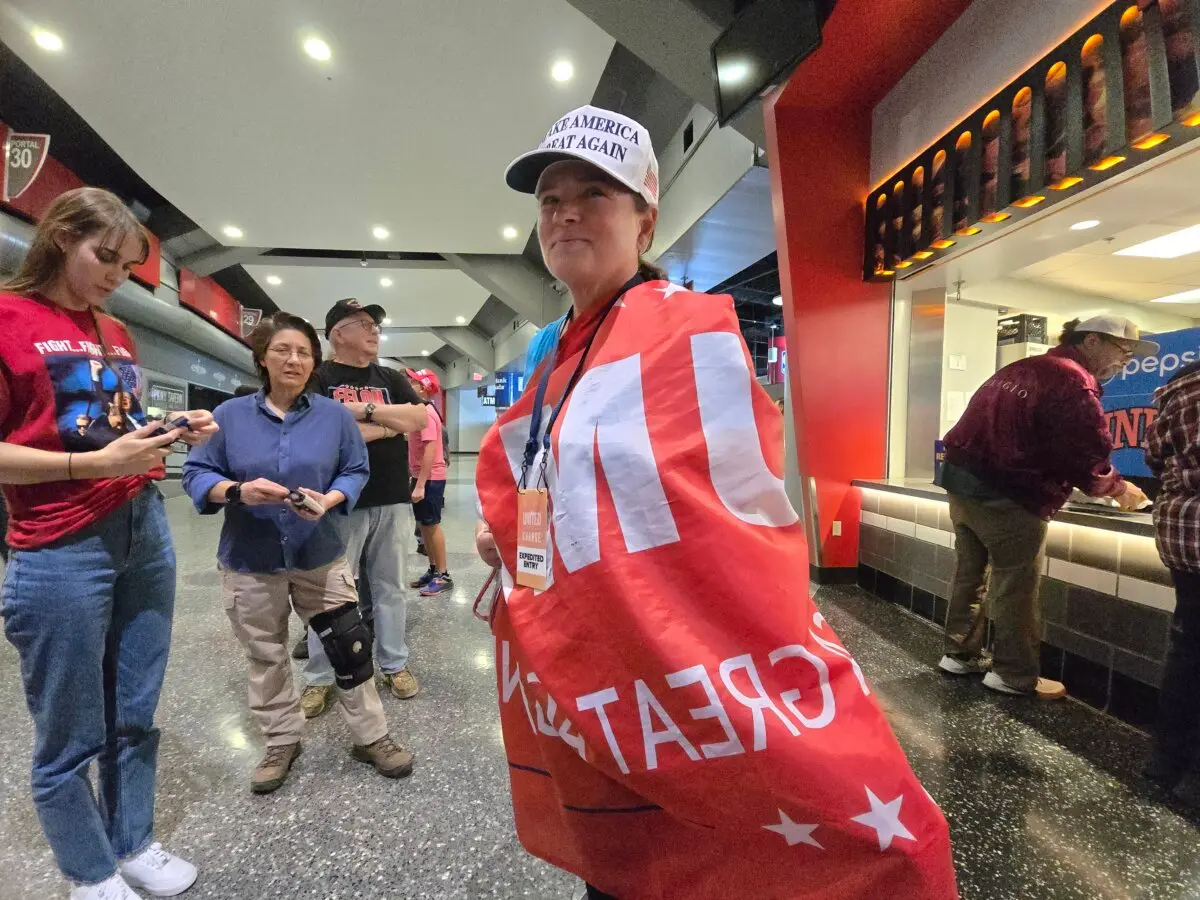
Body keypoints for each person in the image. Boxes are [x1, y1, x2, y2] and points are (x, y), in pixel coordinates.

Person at [473, 106, 957, 899]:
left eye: (593, 192)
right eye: (549, 197)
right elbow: (555, 484)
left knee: (708, 843)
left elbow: (732, 512)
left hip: (673, 657)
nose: (563, 211)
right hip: (594, 662)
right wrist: (519, 539)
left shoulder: (687, 333)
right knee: (625, 856)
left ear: (645, 218)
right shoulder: (554, 349)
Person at [0, 187, 217, 900]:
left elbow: (112, 429)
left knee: (135, 704)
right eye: (106, 257)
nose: (116, 276)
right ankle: (88, 871)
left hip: (141, 524)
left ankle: (132, 841)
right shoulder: (9, 318)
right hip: (59, 542)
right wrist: (85, 467)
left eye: (128, 267)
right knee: (69, 725)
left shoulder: (114, 331)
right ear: (63, 236)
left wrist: (168, 435)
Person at [181, 313, 414, 794]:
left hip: (320, 552)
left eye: (303, 352)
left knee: (348, 647)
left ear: (315, 362)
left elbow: (354, 468)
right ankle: (281, 740)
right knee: (266, 653)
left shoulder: (333, 416)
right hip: (250, 558)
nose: (293, 359)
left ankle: (372, 736)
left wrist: (329, 500)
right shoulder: (229, 416)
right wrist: (237, 491)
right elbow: (197, 473)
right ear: (263, 358)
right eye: (283, 350)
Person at [939, 316, 1154, 699]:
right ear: (1091, 341)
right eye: (1123, 351)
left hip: (961, 482)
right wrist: (1118, 489)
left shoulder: (1021, 367)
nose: (1126, 361)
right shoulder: (1073, 381)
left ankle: (958, 654)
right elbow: (1084, 451)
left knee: (970, 574)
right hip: (1010, 493)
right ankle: (1013, 674)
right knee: (1015, 584)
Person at [299, 299, 428, 715]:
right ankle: (321, 677)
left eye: (376, 325)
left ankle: (395, 663)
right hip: (340, 501)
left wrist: (359, 414)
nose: (375, 331)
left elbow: (419, 418)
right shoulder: (319, 377)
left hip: (391, 498)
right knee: (331, 593)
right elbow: (320, 431)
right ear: (338, 332)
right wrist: (387, 424)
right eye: (365, 324)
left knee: (391, 588)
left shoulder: (390, 375)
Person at [1145, 358, 1200, 803]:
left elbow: (1154, 459)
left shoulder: (1173, 394)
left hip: (1180, 535)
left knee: (1186, 650)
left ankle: (1164, 761)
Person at [406, 368, 452, 596]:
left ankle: (443, 575)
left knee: (432, 525)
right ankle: (433, 569)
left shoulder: (427, 414)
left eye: (412, 381)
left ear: (422, 388)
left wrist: (421, 483)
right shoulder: (419, 411)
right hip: (420, 476)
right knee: (424, 525)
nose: (407, 384)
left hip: (430, 478)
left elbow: (430, 448)